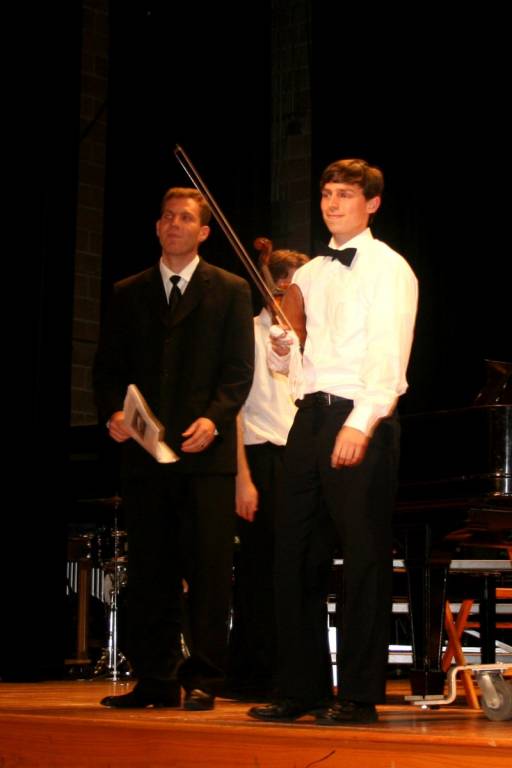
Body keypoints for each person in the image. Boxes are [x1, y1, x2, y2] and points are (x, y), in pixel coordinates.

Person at [248, 158, 418, 725]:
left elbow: (389, 358)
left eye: (345, 194)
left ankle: (360, 696)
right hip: (307, 418)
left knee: (363, 558)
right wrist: (283, 349)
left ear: (372, 204)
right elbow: (296, 359)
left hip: (359, 417)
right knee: (294, 554)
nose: (332, 203)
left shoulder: (390, 269)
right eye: (326, 194)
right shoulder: (311, 275)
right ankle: (302, 689)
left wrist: (359, 423)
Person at [93, 187, 254, 710]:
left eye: (184, 217)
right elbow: (107, 369)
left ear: (203, 232)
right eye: (166, 216)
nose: (173, 224)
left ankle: (204, 677)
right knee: (150, 571)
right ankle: (156, 679)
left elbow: (238, 372)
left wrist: (214, 418)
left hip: (205, 455)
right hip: (146, 457)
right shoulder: (128, 291)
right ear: (157, 227)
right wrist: (114, 414)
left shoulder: (230, 289)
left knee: (209, 570)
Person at [225, 249, 309, 700]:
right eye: (294, 287)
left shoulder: (306, 338)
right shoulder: (246, 334)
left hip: (299, 461)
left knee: (294, 569)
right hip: (259, 458)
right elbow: (235, 411)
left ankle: (290, 672)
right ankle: (251, 674)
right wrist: (242, 476)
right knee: (260, 571)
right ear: (276, 287)